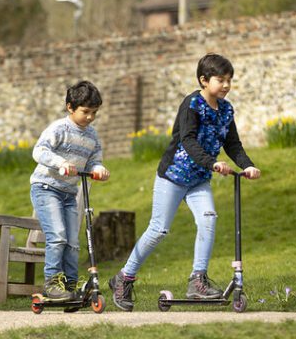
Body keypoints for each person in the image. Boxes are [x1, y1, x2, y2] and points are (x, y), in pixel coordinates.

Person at [108, 53, 261, 312]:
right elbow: (187, 140)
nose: (226, 85)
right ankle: (124, 277)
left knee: (209, 218)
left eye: (229, 80)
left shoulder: (226, 110)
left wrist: (246, 165)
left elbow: (232, 143)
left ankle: (197, 280)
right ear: (203, 80)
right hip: (173, 175)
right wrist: (211, 163)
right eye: (220, 80)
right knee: (158, 229)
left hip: (199, 180)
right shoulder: (192, 104)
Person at [30, 80, 110, 301]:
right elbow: (39, 151)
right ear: (70, 107)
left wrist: (98, 169)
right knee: (57, 236)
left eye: (94, 112)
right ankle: (52, 284)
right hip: (46, 188)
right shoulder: (59, 128)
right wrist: (60, 162)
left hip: (69, 192)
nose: (90, 117)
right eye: (86, 112)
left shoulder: (92, 135)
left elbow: (95, 159)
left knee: (73, 242)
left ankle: (70, 285)